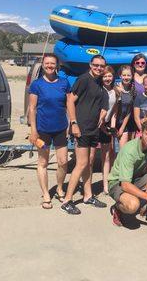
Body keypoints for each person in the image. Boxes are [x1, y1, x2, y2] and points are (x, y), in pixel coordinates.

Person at [61, 55, 109, 215]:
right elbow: (69, 100)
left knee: (88, 163)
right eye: (96, 65)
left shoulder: (99, 83)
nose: (99, 68)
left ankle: (88, 195)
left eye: (102, 66)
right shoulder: (84, 79)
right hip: (81, 128)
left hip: (93, 130)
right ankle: (67, 200)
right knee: (81, 164)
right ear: (90, 65)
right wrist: (73, 123)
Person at [28, 53, 71, 209]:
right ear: (43, 65)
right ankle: (46, 194)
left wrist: (71, 123)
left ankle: (59, 187)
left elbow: (69, 105)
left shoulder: (64, 83)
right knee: (43, 162)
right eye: (47, 63)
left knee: (63, 161)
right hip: (43, 131)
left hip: (60, 129)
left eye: (53, 63)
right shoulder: (37, 85)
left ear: (57, 65)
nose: (50, 66)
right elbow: (32, 108)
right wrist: (33, 130)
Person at [89, 65, 118, 196]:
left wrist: (111, 128)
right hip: (95, 125)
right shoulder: (98, 89)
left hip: (106, 125)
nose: (107, 78)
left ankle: (105, 184)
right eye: (105, 76)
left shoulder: (115, 91)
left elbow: (114, 111)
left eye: (109, 76)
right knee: (91, 157)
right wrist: (101, 127)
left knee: (106, 157)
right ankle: (87, 185)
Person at [115, 65, 137, 147]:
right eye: (124, 75)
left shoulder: (133, 90)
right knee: (110, 151)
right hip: (113, 122)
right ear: (120, 76)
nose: (126, 77)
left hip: (125, 123)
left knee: (125, 150)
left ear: (132, 76)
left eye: (128, 75)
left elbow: (129, 111)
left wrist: (122, 127)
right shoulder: (115, 88)